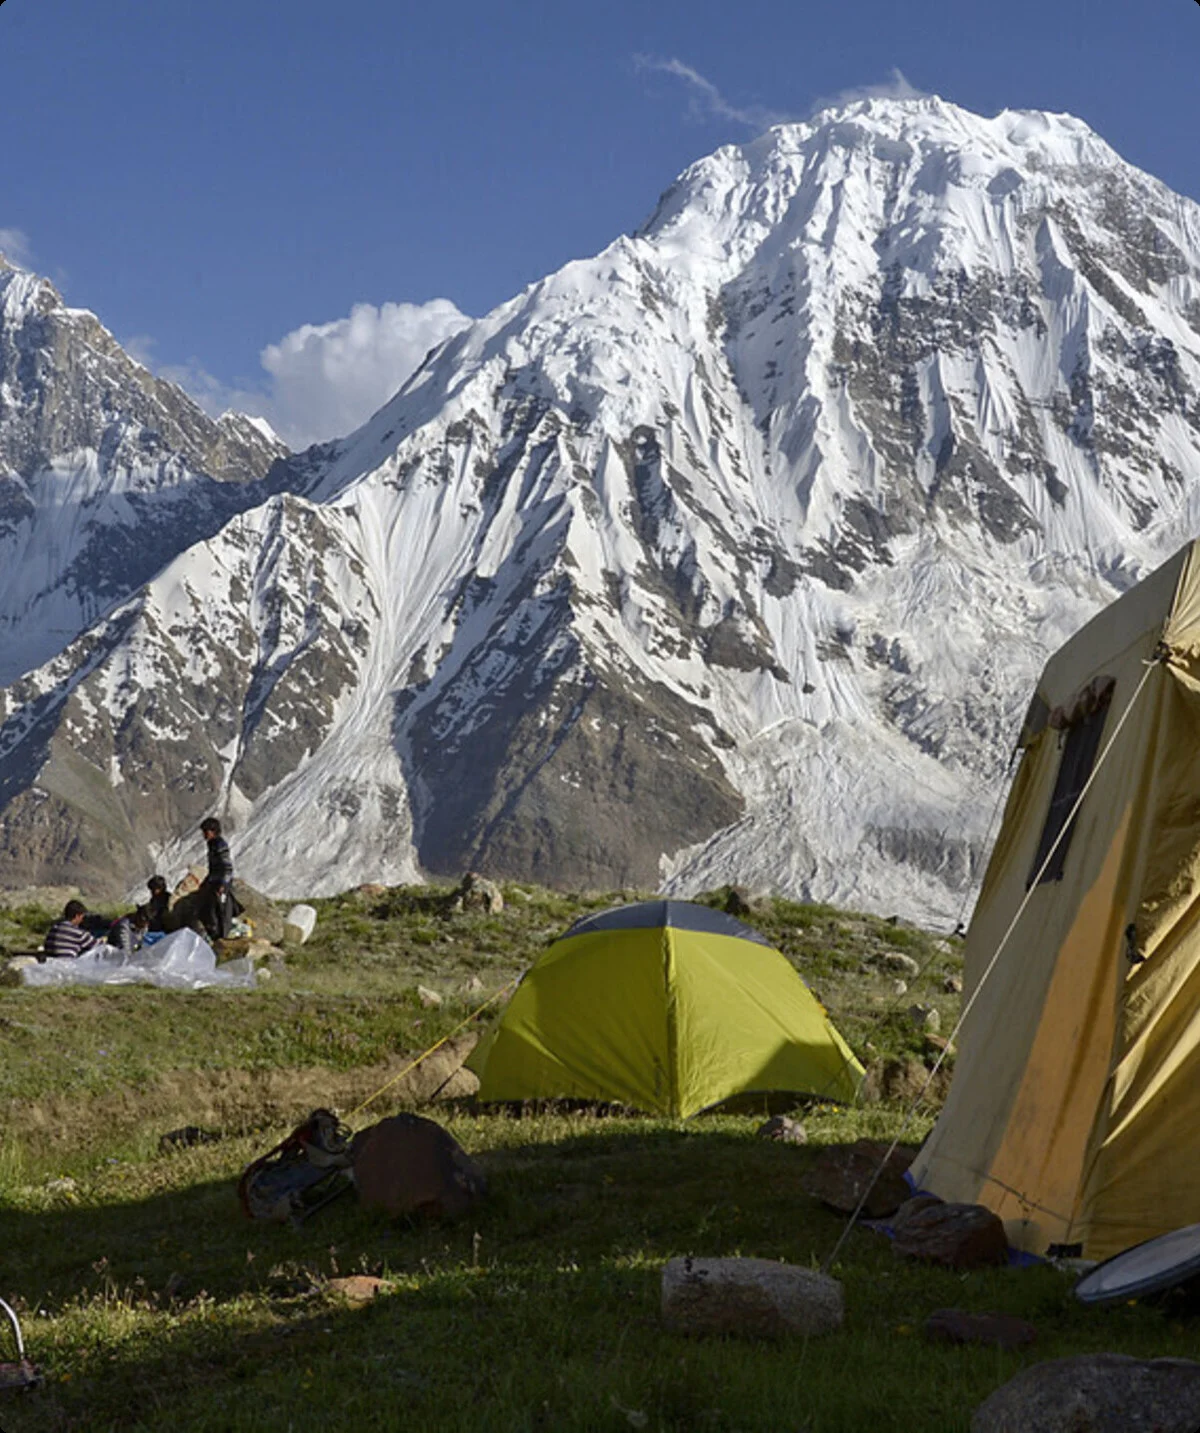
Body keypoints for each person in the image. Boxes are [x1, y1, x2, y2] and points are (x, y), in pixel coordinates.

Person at [198, 816, 235, 942]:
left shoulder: (220, 845)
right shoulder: (212, 844)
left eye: (205, 832)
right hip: (214, 881)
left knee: (221, 911)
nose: (204, 835)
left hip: (221, 882)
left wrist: (223, 884)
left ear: (212, 831)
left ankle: (223, 937)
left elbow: (227, 867)